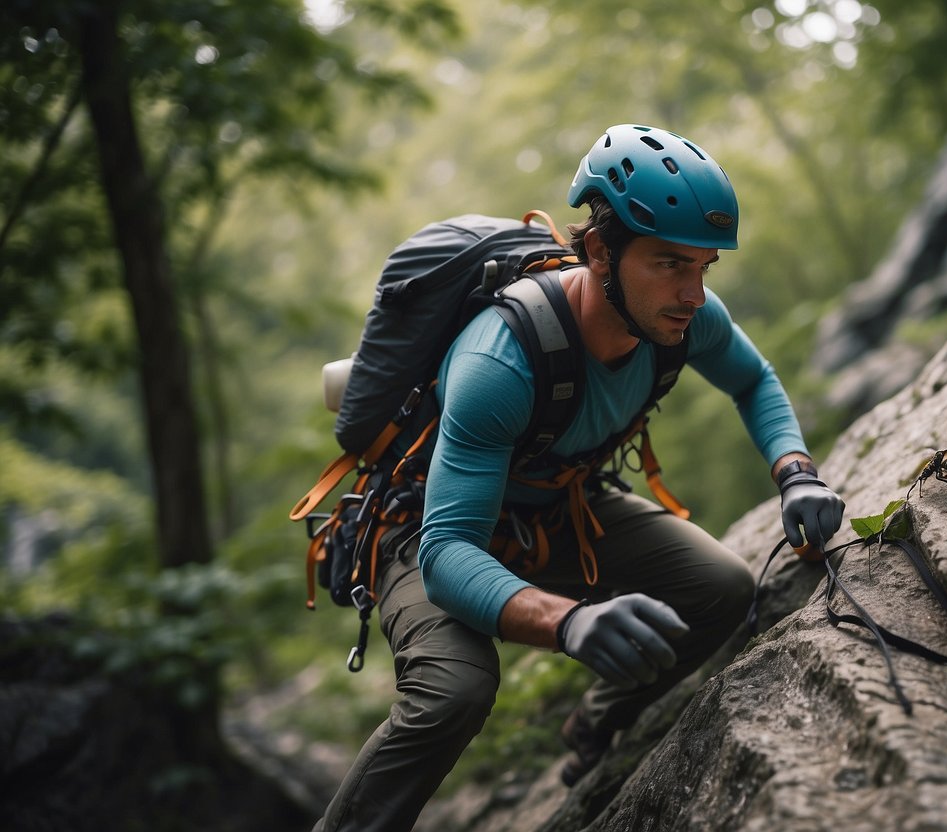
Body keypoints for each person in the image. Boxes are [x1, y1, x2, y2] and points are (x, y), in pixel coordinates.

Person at [313, 124, 845, 831]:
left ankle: (595, 726)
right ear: (598, 250)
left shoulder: (681, 317)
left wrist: (796, 473)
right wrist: (568, 620)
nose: (691, 293)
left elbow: (752, 379)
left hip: (555, 505)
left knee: (719, 589)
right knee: (453, 693)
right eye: (667, 264)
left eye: (703, 267)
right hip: (425, 530)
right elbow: (447, 555)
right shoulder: (499, 362)